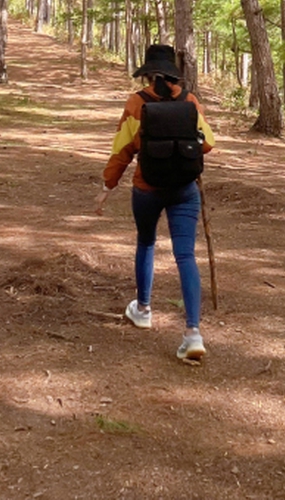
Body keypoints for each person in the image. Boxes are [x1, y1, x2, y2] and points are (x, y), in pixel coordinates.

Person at [94, 43, 215, 362]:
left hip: (146, 188)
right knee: (185, 255)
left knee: (146, 243)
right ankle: (192, 333)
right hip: (184, 189)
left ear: (147, 74)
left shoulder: (137, 103)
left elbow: (122, 149)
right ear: (173, 73)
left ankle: (144, 309)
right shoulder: (190, 101)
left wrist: (108, 185)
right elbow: (209, 144)